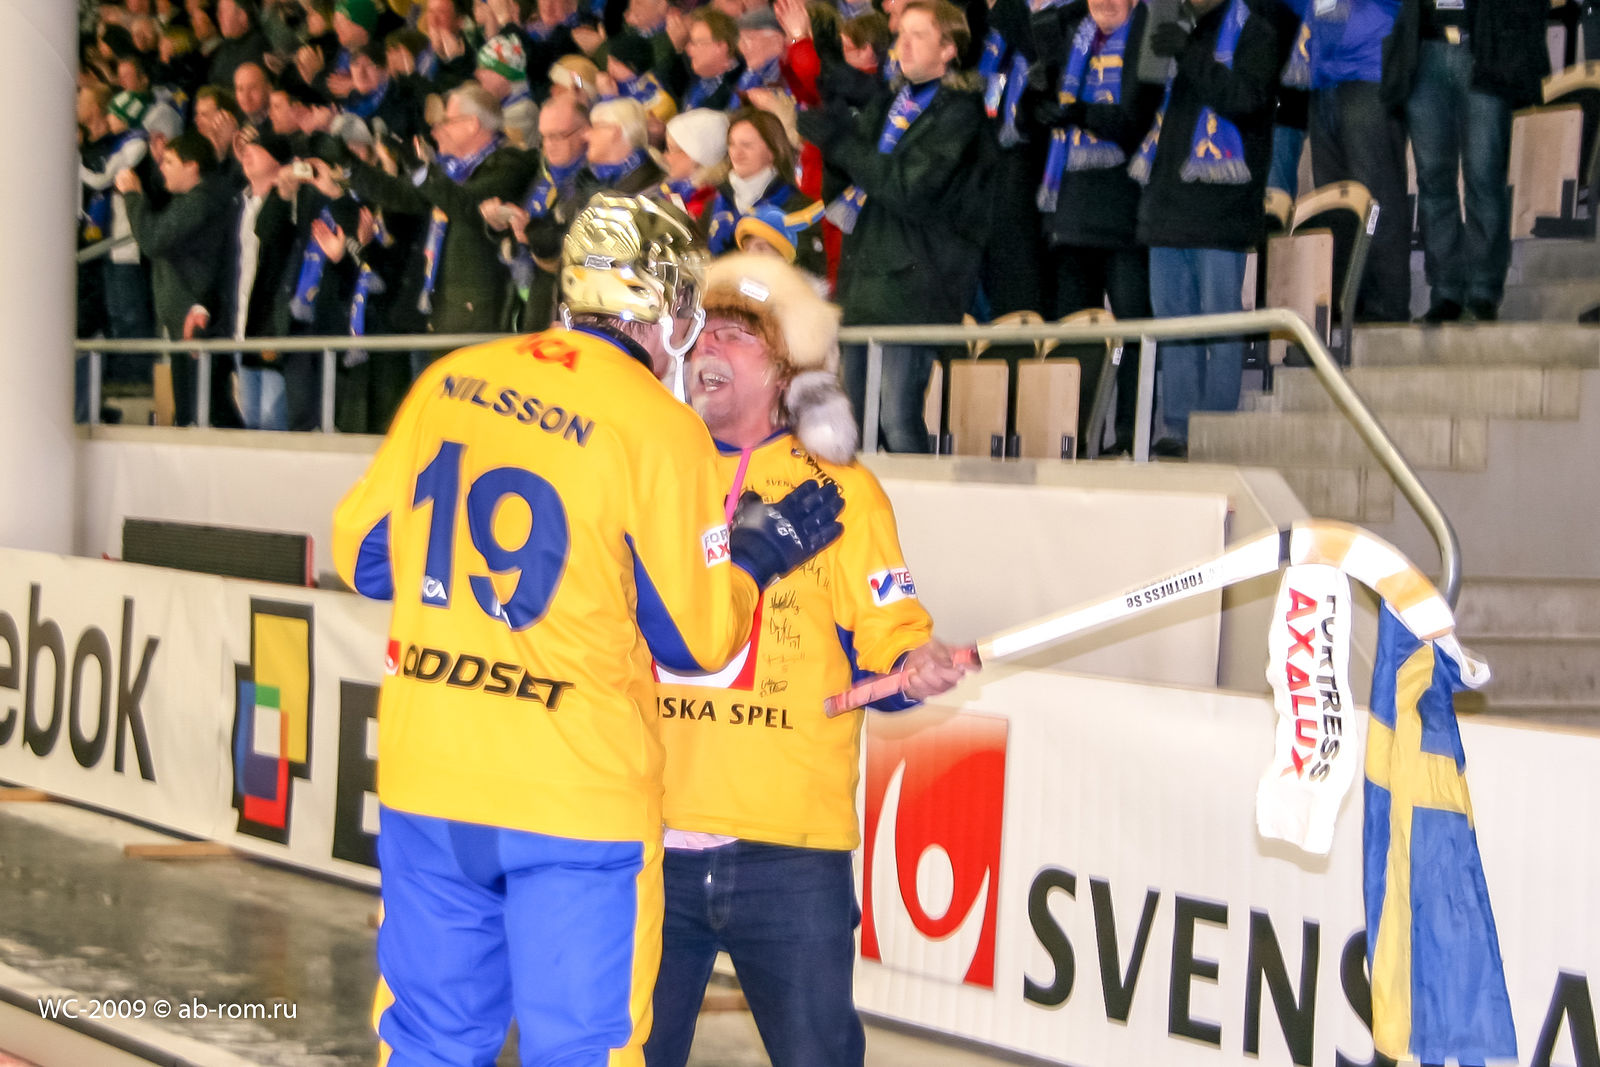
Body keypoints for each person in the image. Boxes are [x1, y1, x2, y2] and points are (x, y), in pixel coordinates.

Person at [332, 192, 845, 1067]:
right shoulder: (661, 428)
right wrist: (754, 558)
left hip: (431, 777)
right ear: (665, 306)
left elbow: (364, 557)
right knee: (584, 1051)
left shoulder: (448, 379)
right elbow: (695, 640)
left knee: (425, 1039)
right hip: (574, 798)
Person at [643, 251, 972, 1067]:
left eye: (738, 334)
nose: (709, 346)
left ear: (788, 368)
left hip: (789, 853)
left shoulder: (843, 488)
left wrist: (915, 665)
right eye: (703, 331)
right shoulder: (648, 468)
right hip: (644, 836)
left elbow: (890, 640)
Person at [797, 0, 991, 453]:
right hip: (867, 278)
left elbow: (909, 188)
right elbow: (849, 178)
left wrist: (841, 143)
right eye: (901, 34)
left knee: (896, 418)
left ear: (949, 49)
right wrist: (833, 136)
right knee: (855, 421)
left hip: (916, 282)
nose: (903, 44)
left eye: (918, 35)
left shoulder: (959, 114)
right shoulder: (892, 104)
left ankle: (924, 500)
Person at [1133, 0, 1281, 457]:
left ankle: (1216, 427)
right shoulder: (1177, 28)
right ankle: (1179, 426)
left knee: (1219, 320)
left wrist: (1188, 54)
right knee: (1174, 321)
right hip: (1168, 204)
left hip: (1222, 207)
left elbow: (1247, 101)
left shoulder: (1256, 30)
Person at [1395, 0, 1549, 323]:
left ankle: (1483, 291)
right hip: (1424, 49)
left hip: (1483, 48)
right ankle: (1445, 292)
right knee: (1433, 180)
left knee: (1484, 174)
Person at [701, 107, 824, 274]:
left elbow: (808, 273)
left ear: (773, 151)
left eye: (747, 145)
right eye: (732, 144)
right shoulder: (716, 204)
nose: (736, 153)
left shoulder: (798, 208)